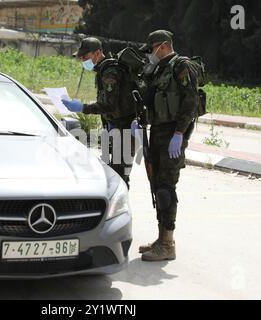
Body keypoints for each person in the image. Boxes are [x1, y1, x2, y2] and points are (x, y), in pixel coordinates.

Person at [138, 30, 200, 261]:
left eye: (152, 49)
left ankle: (168, 245)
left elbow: (190, 102)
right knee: (157, 185)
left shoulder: (181, 66)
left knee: (166, 189)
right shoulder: (160, 69)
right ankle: (161, 238)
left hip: (173, 134)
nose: (150, 54)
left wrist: (179, 134)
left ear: (163, 46)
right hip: (158, 132)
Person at [62, 37, 138, 188]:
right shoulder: (104, 70)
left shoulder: (110, 72)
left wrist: (82, 108)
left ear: (97, 53)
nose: (83, 60)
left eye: (85, 57)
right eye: (81, 57)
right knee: (112, 175)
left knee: (119, 179)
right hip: (115, 127)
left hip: (124, 130)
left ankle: (119, 210)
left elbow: (109, 105)